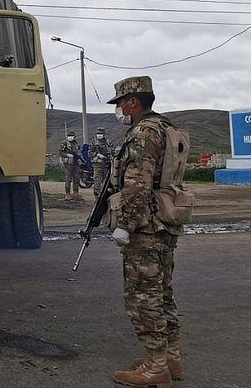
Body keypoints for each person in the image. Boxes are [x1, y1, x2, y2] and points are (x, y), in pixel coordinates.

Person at [107, 76, 184, 387]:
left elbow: (137, 182)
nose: (120, 109)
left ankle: (155, 368)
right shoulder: (167, 128)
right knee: (163, 292)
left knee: (143, 297)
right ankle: (171, 358)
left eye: (121, 103)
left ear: (133, 102)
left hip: (145, 227)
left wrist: (124, 225)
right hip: (166, 221)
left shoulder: (142, 133)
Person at [91, 127, 114, 195]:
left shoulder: (108, 142)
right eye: (98, 133)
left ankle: (105, 196)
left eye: (100, 134)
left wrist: (109, 155)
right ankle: (96, 197)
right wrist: (97, 154)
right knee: (97, 180)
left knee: (106, 182)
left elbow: (113, 151)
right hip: (98, 164)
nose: (99, 135)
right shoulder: (94, 142)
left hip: (107, 164)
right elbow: (90, 153)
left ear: (104, 134)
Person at [59, 130, 82, 200]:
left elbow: (79, 153)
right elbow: (60, 153)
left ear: (74, 137)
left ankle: (75, 193)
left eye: (71, 136)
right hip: (68, 163)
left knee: (76, 178)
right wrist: (67, 155)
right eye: (69, 136)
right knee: (68, 179)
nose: (70, 137)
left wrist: (80, 159)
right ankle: (67, 194)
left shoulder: (77, 144)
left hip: (76, 163)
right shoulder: (64, 143)